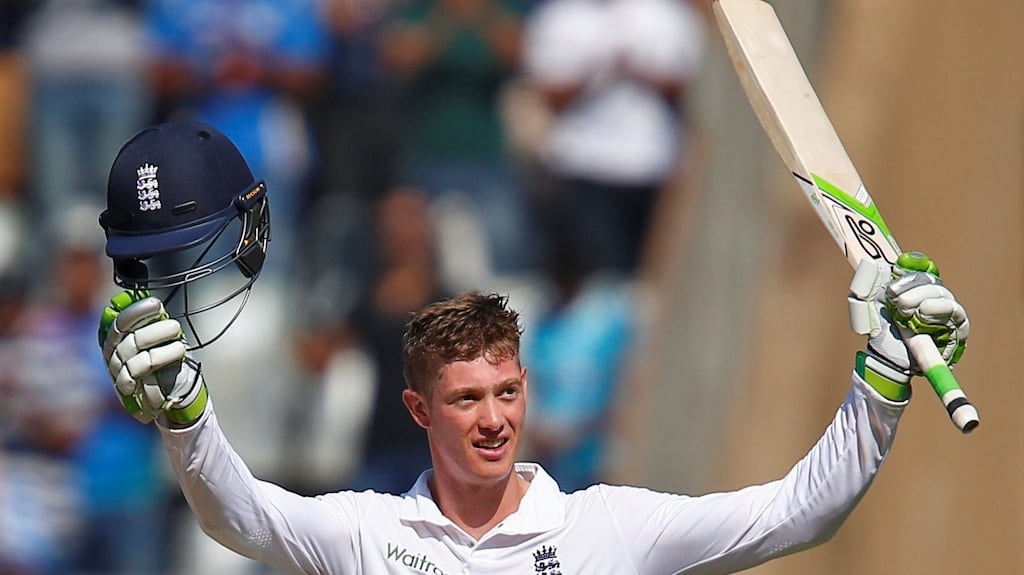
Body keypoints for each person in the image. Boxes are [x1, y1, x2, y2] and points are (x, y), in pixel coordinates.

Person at [93, 120, 970, 574]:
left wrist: (885, 379)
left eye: (506, 392)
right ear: (418, 409)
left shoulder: (608, 530)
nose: (493, 419)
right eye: (467, 399)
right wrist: (186, 417)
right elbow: (236, 515)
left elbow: (796, 513)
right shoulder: (367, 533)